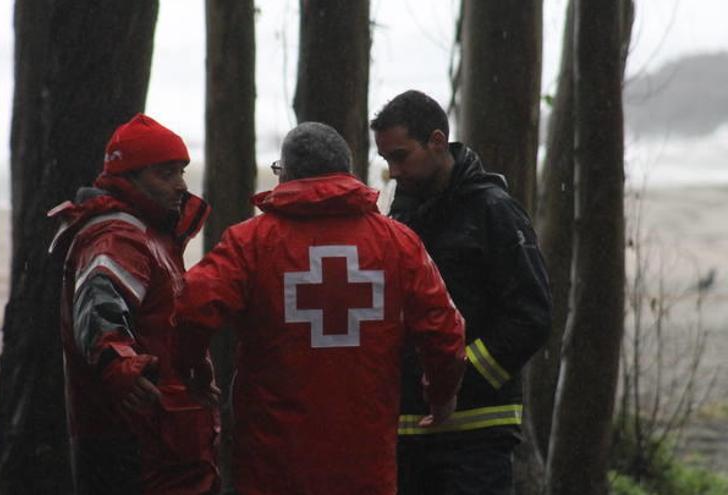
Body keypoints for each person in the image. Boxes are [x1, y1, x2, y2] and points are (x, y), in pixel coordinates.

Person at [172, 122, 467, 495]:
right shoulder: (398, 243)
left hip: (273, 465)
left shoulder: (252, 243)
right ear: (347, 172)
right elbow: (444, 330)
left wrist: (194, 372)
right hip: (366, 466)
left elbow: (190, 310)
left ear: (289, 174)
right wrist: (442, 397)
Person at [371, 90, 552, 495]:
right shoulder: (400, 217)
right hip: (408, 432)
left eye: (400, 156)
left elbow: (531, 316)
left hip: (476, 434)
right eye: (386, 161)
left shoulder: (494, 212)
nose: (393, 172)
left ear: (437, 141)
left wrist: (455, 378)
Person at [48, 114, 219, 494]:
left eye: (181, 171)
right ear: (130, 178)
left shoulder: (151, 232)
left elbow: (162, 325)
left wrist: (193, 373)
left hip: (164, 438)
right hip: (137, 443)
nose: (181, 186)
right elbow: (98, 313)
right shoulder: (118, 237)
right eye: (166, 174)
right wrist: (121, 367)